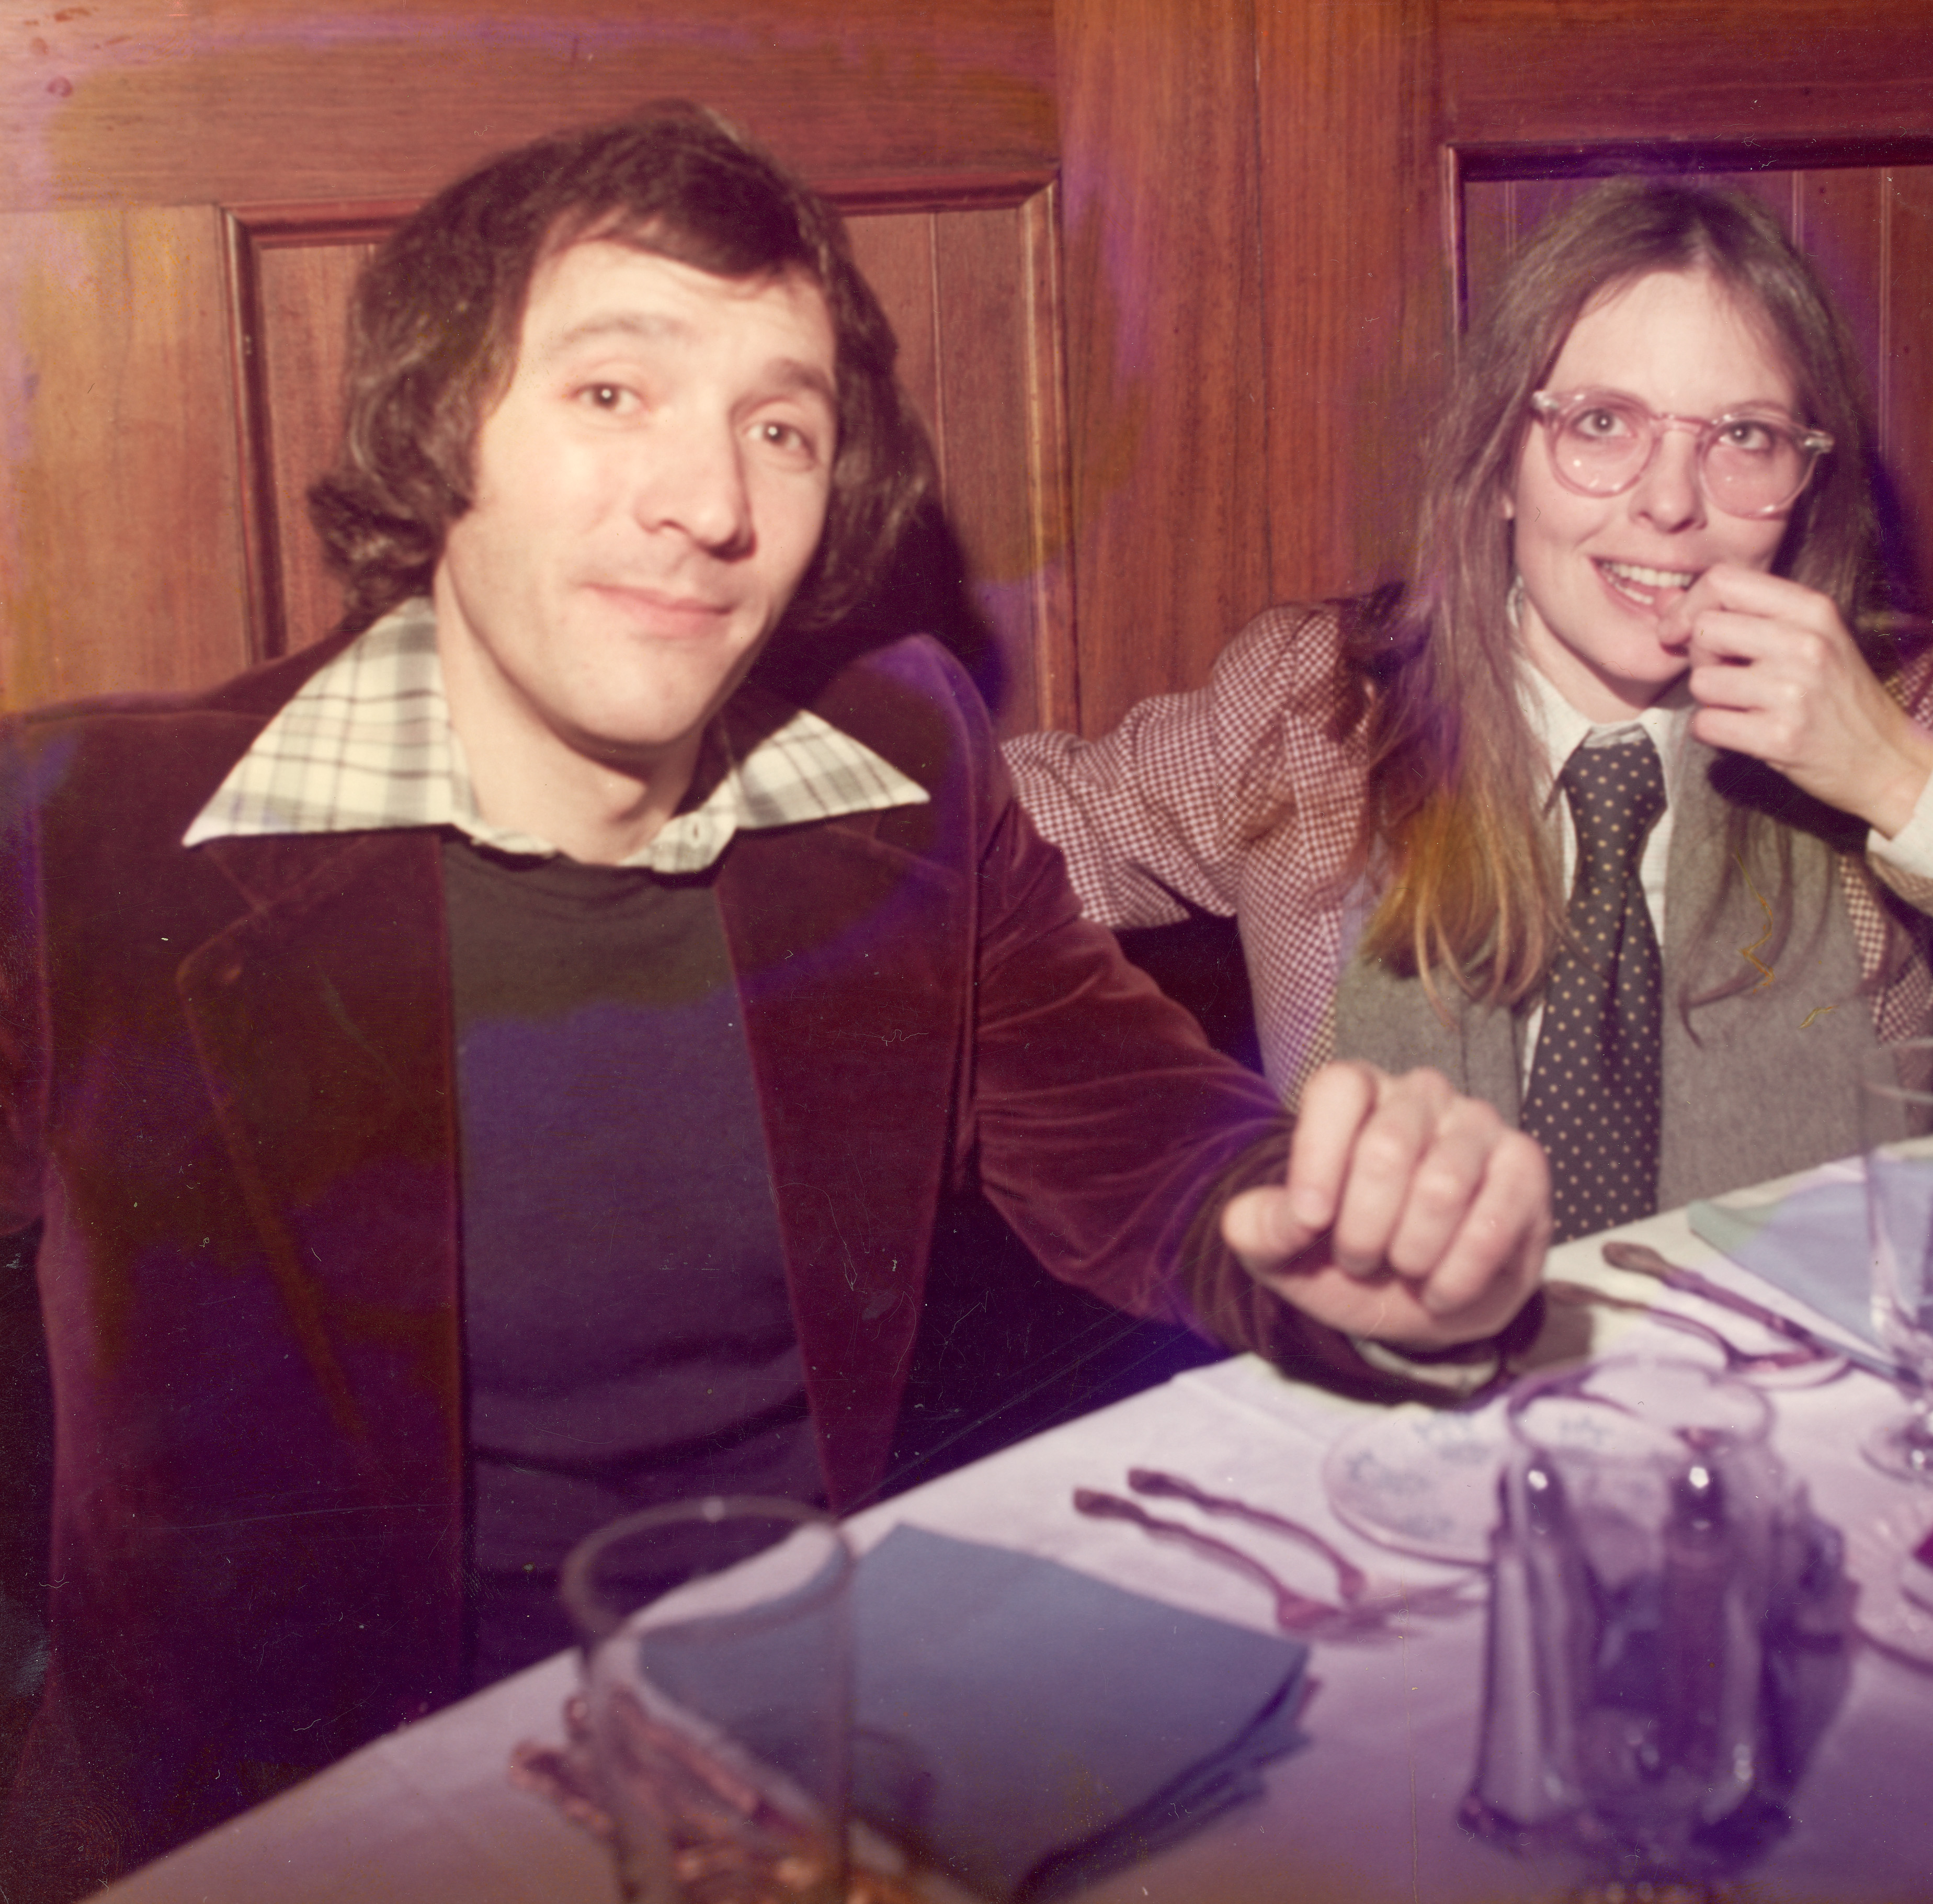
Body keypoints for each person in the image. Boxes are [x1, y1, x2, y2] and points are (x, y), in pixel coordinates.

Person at [0, 107, 1547, 1897]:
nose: (710, 502)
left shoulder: (895, 765)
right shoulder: (90, 841)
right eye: (610, 393)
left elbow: (1119, 1114)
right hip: (300, 1836)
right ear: (441, 428)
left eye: (780, 428)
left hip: (805, 1790)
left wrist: (1307, 1235)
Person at [1007, 178, 1933, 1239]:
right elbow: (999, 819)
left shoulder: (1906, 706)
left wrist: (1907, 785)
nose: (1669, 505)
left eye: (1740, 437)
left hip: (1787, 1428)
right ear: (1498, 465)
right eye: (1601, 423)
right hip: (1418, 1429)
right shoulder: (1316, 710)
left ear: (1804, 482)